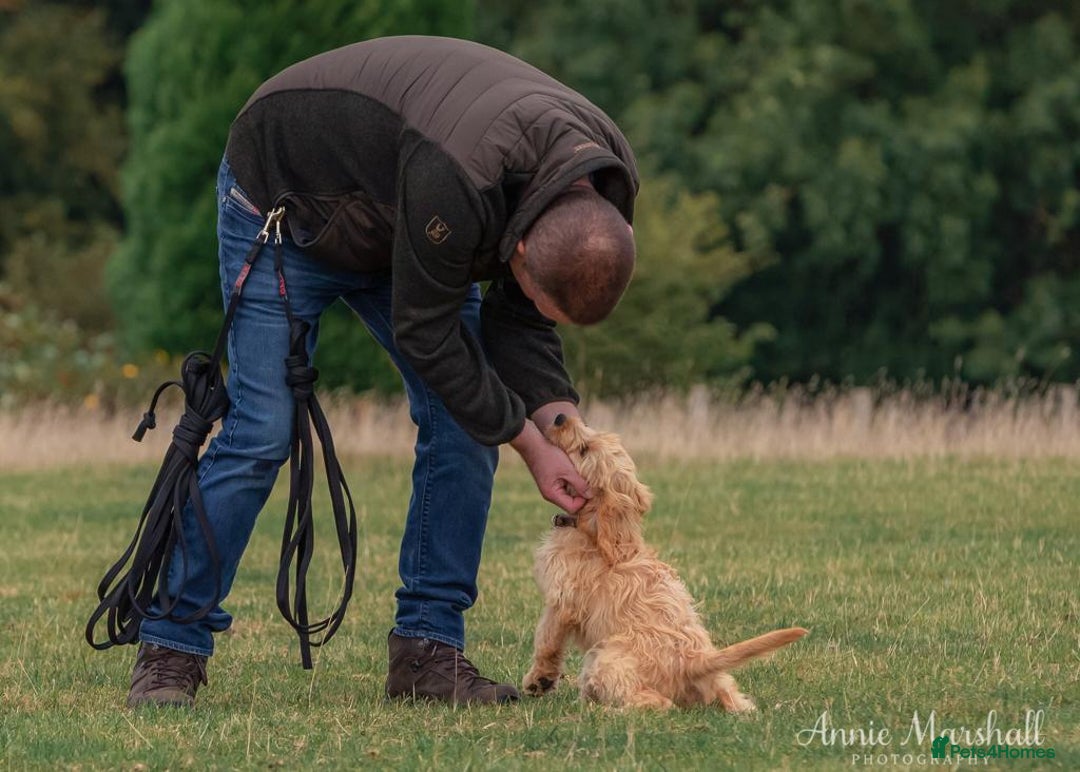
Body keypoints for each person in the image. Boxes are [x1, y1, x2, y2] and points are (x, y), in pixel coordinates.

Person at [126, 35, 638, 708]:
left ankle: (428, 655)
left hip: (408, 213)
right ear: (519, 245)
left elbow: (523, 318)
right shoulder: (461, 175)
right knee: (262, 431)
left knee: (465, 426)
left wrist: (565, 427)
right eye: (534, 288)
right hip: (290, 202)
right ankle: (171, 646)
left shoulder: (600, 187)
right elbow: (427, 335)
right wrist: (531, 446)